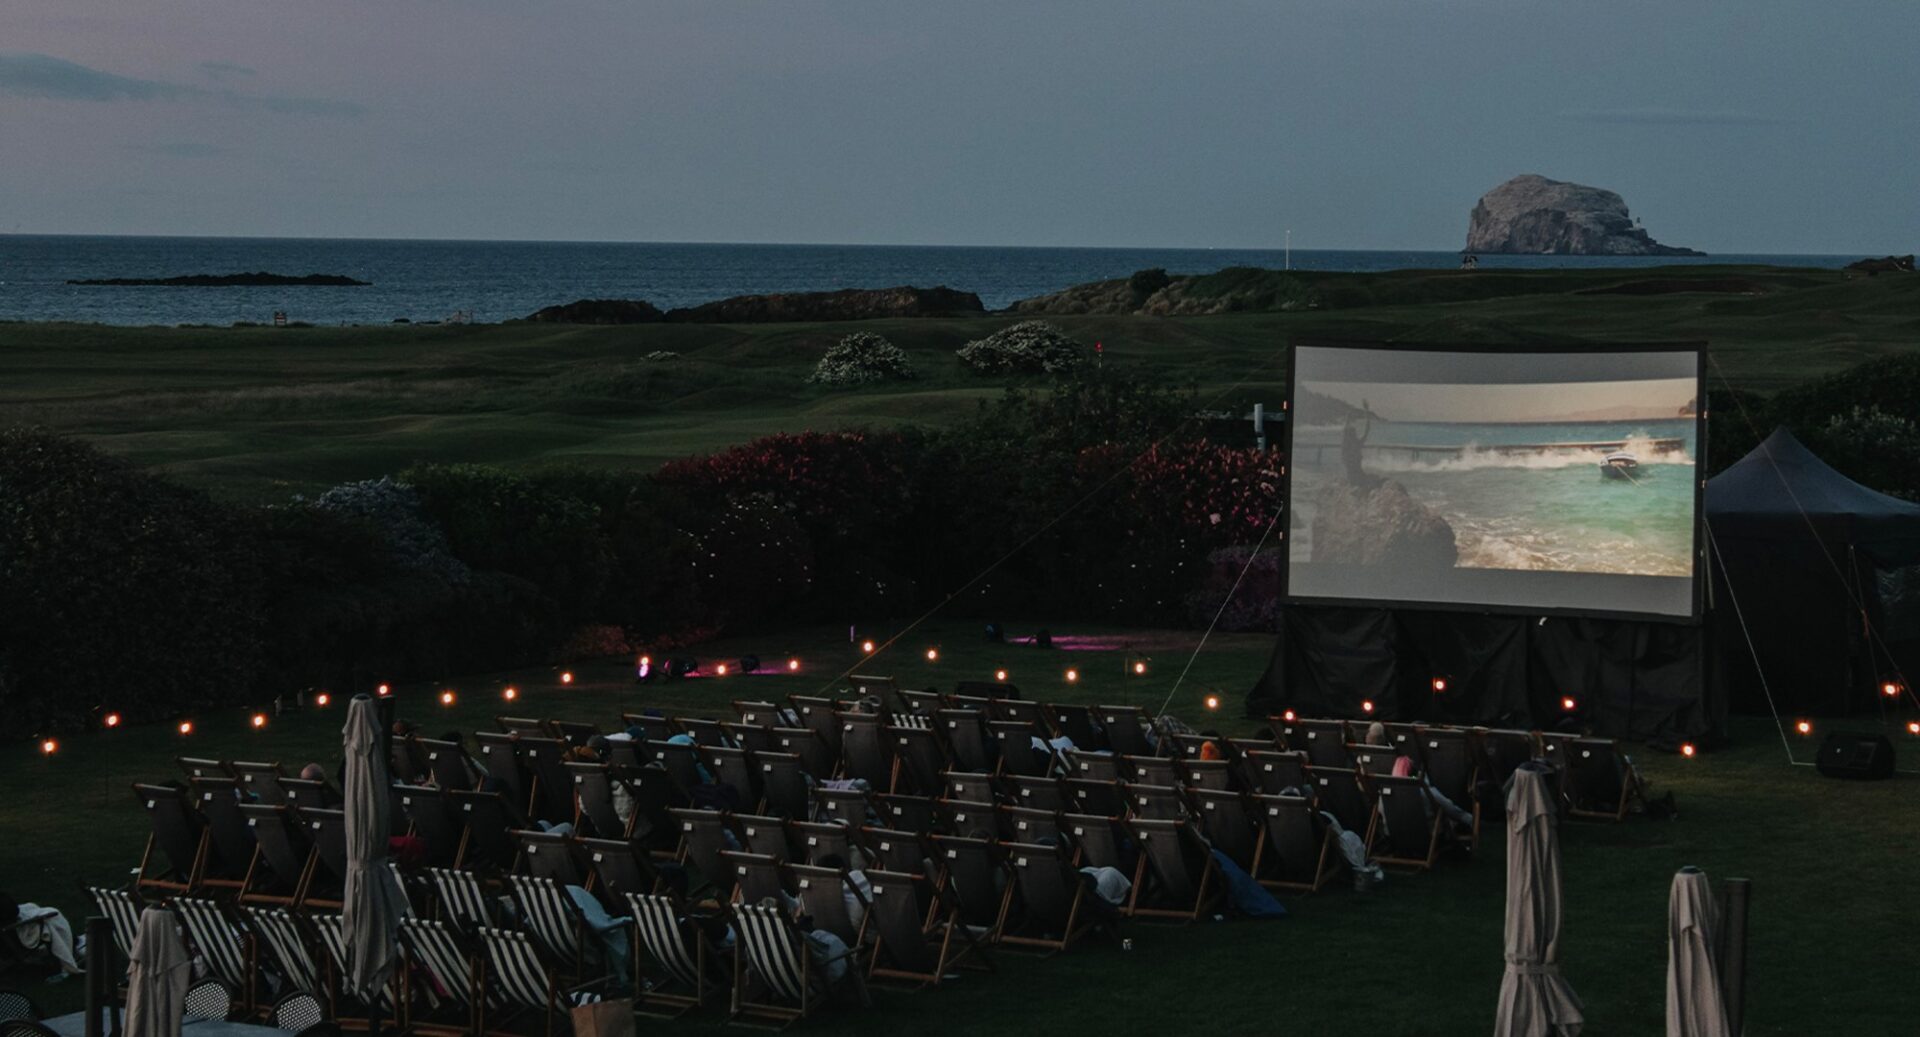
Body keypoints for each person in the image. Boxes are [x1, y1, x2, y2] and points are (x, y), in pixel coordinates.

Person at [1, 891, 84, 980]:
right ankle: (70, 948)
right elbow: (13, 911)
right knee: (52, 917)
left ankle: (72, 944)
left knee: (44, 916)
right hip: (10, 935)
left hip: (8, 932)